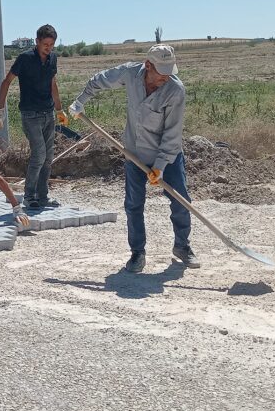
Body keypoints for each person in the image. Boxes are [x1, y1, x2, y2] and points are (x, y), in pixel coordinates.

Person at [68, 44, 200, 273]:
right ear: (148, 65)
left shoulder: (175, 91)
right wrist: (81, 101)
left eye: (170, 71)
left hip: (167, 157)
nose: (166, 77)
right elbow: (100, 79)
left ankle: (182, 246)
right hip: (135, 153)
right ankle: (137, 253)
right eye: (162, 72)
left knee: (180, 201)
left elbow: (172, 134)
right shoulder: (130, 73)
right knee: (134, 205)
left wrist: (159, 167)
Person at [0, 24, 68, 210]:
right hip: (30, 114)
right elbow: (6, 82)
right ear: (37, 41)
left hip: (48, 113)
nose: (48, 48)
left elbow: (53, 84)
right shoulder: (25, 58)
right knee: (39, 154)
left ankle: (43, 197)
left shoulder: (53, 59)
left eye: (51, 44)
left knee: (48, 156)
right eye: (45, 44)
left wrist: (59, 110)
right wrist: (0, 110)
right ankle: (29, 196)